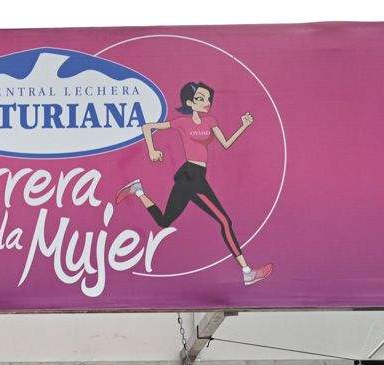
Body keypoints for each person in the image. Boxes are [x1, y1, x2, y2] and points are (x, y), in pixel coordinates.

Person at [115, 82, 274, 287]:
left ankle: (138, 191)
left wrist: (243, 126)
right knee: (224, 221)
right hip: (191, 176)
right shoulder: (182, 122)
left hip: (195, 176)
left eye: (208, 98)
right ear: (190, 102)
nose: (206, 102)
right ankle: (247, 272)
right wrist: (151, 150)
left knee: (164, 221)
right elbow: (147, 127)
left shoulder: (210, 121)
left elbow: (225, 144)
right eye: (200, 98)